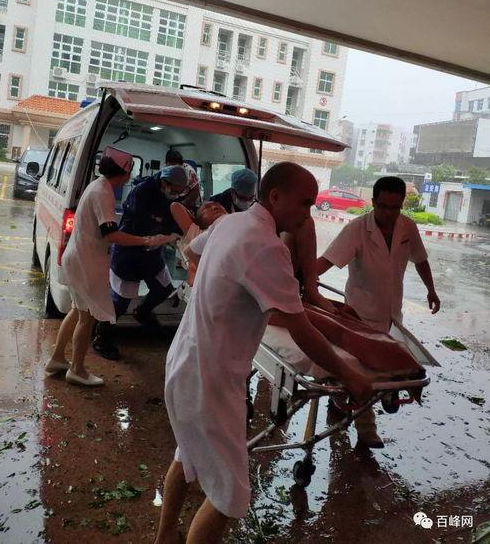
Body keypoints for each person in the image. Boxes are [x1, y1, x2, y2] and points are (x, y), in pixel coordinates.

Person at [155, 162, 373, 544]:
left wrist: (224, 294)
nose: (308, 214)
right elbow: (301, 329)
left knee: (186, 456)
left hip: (184, 362)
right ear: (275, 197)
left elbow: (192, 251)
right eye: (305, 203)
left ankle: (164, 538)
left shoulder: (230, 223)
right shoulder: (267, 247)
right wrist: (350, 375)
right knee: (229, 497)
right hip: (211, 380)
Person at [316, 175, 441, 448]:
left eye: (395, 208)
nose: (388, 214)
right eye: (383, 206)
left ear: (401, 205)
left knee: (384, 365)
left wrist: (431, 290)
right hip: (360, 314)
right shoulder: (357, 229)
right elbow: (328, 260)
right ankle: (367, 429)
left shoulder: (407, 227)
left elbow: (420, 260)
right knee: (363, 371)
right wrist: (300, 279)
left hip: (391, 313)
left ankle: (355, 399)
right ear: (373, 202)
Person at [45, 147, 171, 386]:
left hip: (77, 258)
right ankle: (77, 370)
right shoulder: (104, 193)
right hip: (86, 262)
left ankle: (57, 358)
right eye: (131, 169)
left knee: (77, 311)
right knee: (87, 317)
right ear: (124, 172)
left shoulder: (97, 185)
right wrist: (147, 240)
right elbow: (111, 234)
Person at [92, 165, 186, 359]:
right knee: (121, 302)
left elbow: (173, 218)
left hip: (152, 254)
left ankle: (142, 311)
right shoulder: (142, 192)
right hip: (129, 253)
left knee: (164, 289)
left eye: (179, 192)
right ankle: (101, 336)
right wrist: (158, 235)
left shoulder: (170, 197)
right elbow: (137, 224)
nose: (175, 195)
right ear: (164, 182)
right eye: (174, 190)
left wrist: (176, 234)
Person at [170, 200, 227, 285]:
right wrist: (194, 219)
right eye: (206, 208)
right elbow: (175, 206)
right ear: (200, 221)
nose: (214, 207)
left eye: (218, 205)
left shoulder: (238, 221)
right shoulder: (198, 234)